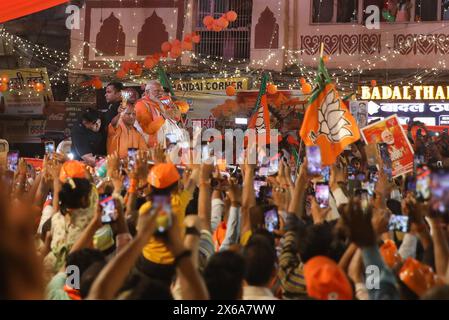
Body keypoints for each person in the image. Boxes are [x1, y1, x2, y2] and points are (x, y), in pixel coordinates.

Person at [134, 80, 183, 147]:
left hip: (167, 145)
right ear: (147, 92)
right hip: (151, 149)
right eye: (157, 91)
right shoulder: (141, 105)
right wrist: (163, 116)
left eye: (161, 91)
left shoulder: (161, 103)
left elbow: (176, 119)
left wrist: (175, 110)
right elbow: (148, 129)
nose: (160, 93)